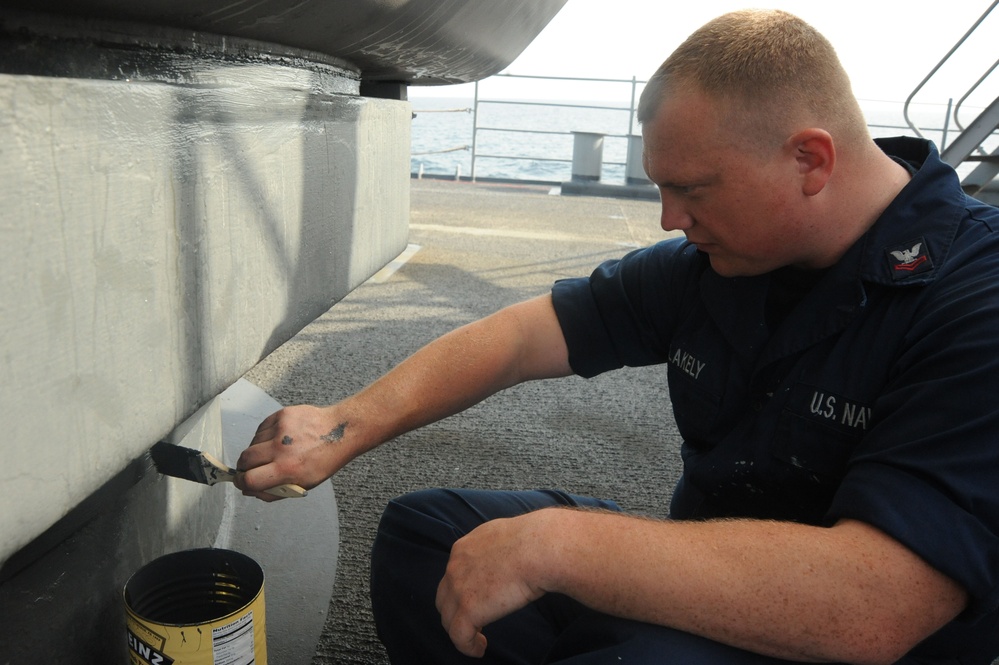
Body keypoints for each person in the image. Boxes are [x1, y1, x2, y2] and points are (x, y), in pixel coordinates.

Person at [235, 9, 999, 664]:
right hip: (706, 568)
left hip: (848, 635)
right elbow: (520, 336)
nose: (669, 218)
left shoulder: (975, 294)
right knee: (426, 535)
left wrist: (556, 546)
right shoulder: (719, 260)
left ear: (809, 159)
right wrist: (347, 422)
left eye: (691, 189)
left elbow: (877, 604)